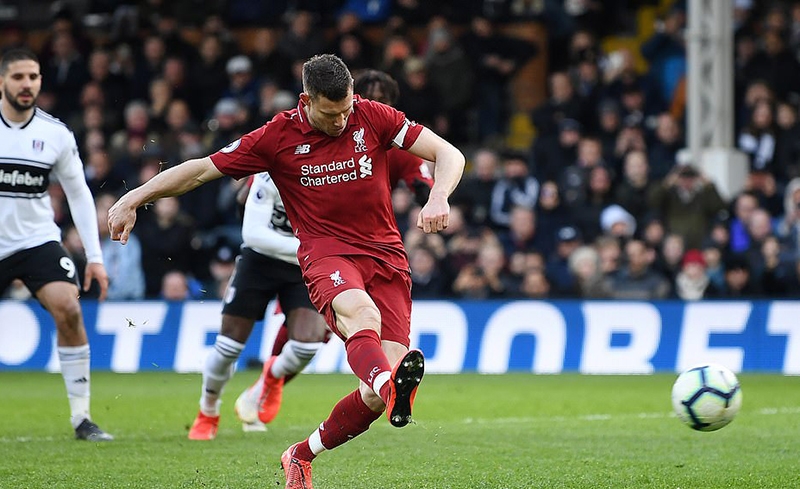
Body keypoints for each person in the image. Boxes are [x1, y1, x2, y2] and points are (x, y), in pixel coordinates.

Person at [108, 54, 465, 488]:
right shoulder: (277, 136)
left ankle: (300, 454)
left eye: (347, 110)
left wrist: (439, 196)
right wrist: (133, 199)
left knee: (373, 397)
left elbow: (448, 152)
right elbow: (201, 170)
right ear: (306, 100)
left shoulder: (373, 117)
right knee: (362, 319)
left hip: (387, 258)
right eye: (331, 114)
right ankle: (392, 387)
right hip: (326, 255)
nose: (341, 122)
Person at [0, 49, 113, 441]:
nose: (27, 84)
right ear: (3, 81)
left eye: (33, 76)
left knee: (68, 309)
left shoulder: (55, 134)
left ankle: (82, 418)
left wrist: (94, 258)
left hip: (35, 240)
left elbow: (80, 194)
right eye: (18, 77)